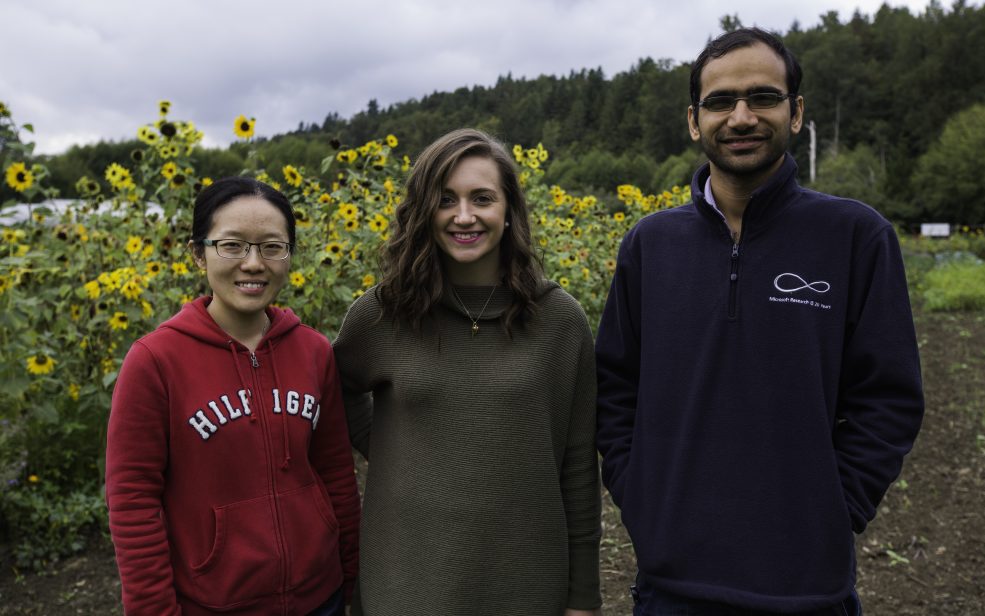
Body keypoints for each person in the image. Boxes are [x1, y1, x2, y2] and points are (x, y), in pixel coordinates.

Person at [595, 28, 925, 615]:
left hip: (807, 590)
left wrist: (834, 508)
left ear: (795, 113)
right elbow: (616, 386)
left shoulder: (854, 237)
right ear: (695, 121)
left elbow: (889, 398)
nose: (741, 117)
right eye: (720, 102)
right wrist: (641, 495)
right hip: (672, 589)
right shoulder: (651, 246)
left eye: (762, 98)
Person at [332, 128, 602, 616]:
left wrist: (583, 597)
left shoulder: (560, 320)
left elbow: (578, 468)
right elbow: (336, 388)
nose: (463, 216)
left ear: (509, 209)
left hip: (526, 584)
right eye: (445, 200)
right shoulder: (383, 314)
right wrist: (397, 448)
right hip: (405, 583)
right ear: (422, 212)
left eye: (482, 198)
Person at [106, 177, 360, 615]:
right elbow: (132, 500)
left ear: (289, 256)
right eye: (232, 245)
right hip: (215, 604)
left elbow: (336, 472)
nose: (253, 263)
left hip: (322, 598)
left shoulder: (314, 352)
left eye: (272, 247)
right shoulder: (155, 361)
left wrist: (352, 574)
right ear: (198, 254)